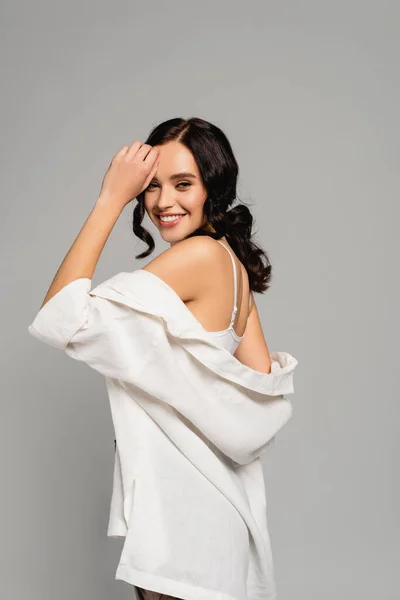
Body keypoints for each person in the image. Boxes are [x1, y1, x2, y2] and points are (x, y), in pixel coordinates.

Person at [29, 117, 297, 600]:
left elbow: (59, 317)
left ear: (211, 187)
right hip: (223, 517)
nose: (162, 202)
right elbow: (259, 390)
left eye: (183, 184)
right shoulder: (231, 265)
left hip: (184, 519)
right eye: (150, 187)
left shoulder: (196, 257)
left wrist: (110, 199)